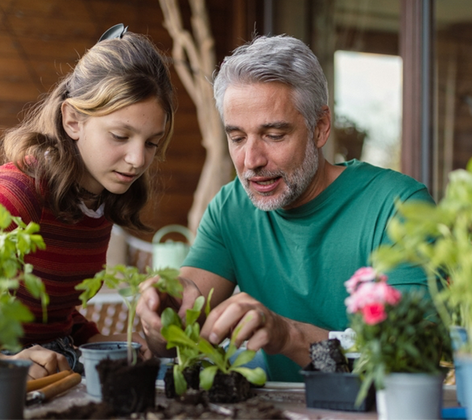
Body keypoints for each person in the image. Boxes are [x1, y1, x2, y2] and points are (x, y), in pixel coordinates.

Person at [138, 34, 434, 382]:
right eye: (237, 138)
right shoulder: (230, 209)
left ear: (320, 127)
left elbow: (412, 360)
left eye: (274, 135)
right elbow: (172, 340)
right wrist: (158, 318)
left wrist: (288, 335)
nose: (251, 160)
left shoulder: (398, 208)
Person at [0, 27, 176, 379]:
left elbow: (55, 312)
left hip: (55, 364)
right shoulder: (12, 197)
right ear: (73, 120)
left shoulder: (100, 199)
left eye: (151, 143)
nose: (137, 159)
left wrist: (97, 339)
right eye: (120, 136)